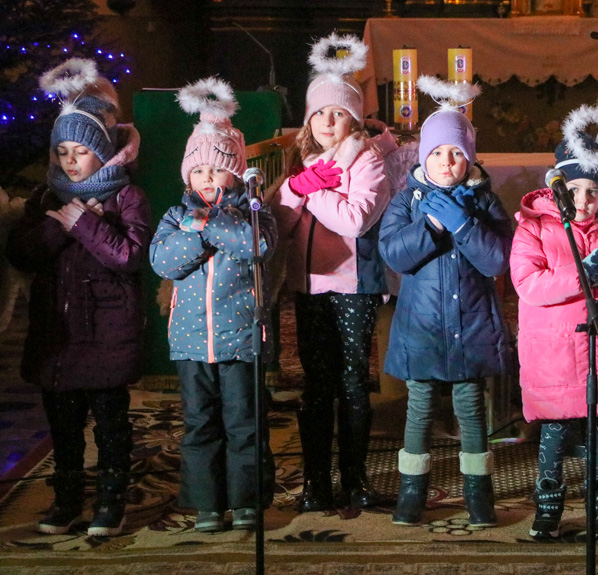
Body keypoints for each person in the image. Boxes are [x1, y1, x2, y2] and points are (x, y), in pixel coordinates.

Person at [6, 58, 151, 537]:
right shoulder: (46, 199)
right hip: (59, 334)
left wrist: (84, 224)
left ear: (103, 152)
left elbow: (130, 256)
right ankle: (66, 496)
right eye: (62, 151)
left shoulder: (126, 197)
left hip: (107, 331)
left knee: (111, 423)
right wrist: (57, 227)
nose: (71, 160)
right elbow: (21, 252)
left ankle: (111, 499)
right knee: (63, 425)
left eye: (81, 152)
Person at [379, 76, 513, 527]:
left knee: (470, 408)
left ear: (469, 157)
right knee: (419, 407)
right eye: (436, 152)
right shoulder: (407, 201)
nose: (446, 161)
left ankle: (479, 495)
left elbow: (497, 260)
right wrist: (432, 227)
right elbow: (394, 254)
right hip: (422, 326)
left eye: (456, 152)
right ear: (423, 156)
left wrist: (461, 225)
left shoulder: (485, 202)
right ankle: (411, 493)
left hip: (471, 323)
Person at [510, 105, 598, 540]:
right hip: (552, 353)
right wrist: (582, 274)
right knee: (554, 434)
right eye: (575, 190)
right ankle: (548, 507)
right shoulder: (534, 226)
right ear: (557, 188)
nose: (585, 201)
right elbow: (528, 283)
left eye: (593, 191)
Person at [274, 33, 396, 512]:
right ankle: (316, 482)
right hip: (309, 285)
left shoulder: (367, 159)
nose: (328, 121)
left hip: (351, 284)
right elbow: (279, 223)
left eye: (339, 112)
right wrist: (295, 188)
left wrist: (314, 191)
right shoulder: (299, 158)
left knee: (350, 382)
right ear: (308, 118)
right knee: (315, 384)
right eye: (320, 112)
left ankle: (356, 480)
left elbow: (354, 219)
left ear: (354, 117)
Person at [149, 77, 277, 532]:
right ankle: (206, 503)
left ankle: (246, 500)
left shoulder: (252, 212)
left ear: (235, 172)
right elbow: (164, 262)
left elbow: (255, 246)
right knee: (199, 424)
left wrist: (209, 223)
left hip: (239, 340)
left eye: (217, 169)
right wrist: (194, 230)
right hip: (190, 343)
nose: (206, 178)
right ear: (188, 175)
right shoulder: (173, 216)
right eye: (198, 171)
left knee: (245, 423)